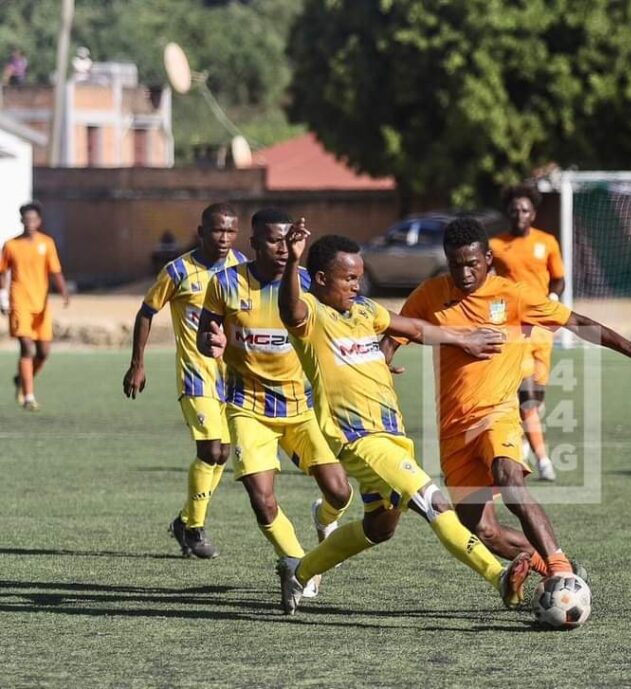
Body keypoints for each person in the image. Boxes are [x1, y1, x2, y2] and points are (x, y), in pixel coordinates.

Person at [385, 217, 631, 582]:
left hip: (497, 415)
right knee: (483, 531)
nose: (464, 273)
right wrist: (381, 366)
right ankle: (554, 567)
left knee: (510, 478)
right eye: (455, 264)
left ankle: (560, 572)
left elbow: (578, 322)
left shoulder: (513, 296)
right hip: (453, 429)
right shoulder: (430, 294)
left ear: (488, 259)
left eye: (472, 264)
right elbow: (393, 335)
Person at [273, 228, 532, 614]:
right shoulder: (311, 314)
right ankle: (500, 578)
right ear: (322, 279)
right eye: (349, 278)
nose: (356, 284)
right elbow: (289, 309)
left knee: (379, 528)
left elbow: (414, 328)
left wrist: (463, 338)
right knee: (434, 503)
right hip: (358, 438)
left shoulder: (364, 310)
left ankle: (298, 572)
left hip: (392, 435)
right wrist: (293, 261)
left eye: (359, 277)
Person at [197, 208, 352, 596]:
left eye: (288, 240)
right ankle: (299, 565)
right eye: (273, 240)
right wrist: (211, 342)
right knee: (262, 500)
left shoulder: (307, 283)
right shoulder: (225, 283)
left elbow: (350, 320)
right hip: (248, 408)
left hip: (301, 407)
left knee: (340, 493)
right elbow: (204, 334)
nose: (282, 248)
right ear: (254, 243)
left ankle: (324, 516)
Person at [123, 203, 246, 559]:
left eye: (230, 231)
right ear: (202, 232)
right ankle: (195, 530)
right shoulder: (178, 270)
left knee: (223, 454)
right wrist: (137, 364)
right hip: (195, 374)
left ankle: (185, 521)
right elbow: (146, 312)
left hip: (232, 375)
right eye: (218, 230)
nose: (224, 238)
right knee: (210, 450)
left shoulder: (241, 266)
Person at [489, 184, 565, 481]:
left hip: (542, 330)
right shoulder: (495, 245)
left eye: (525, 210)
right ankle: (544, 461)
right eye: (514, 210)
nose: (519, 214)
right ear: (508, 212)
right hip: (513, 331)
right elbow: (489, 284)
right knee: (526, 395)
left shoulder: (547, 242)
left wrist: (553, 299)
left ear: (533, 213)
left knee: (536, 398)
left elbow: (558, 279)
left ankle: (523, 441)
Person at [0, 202, 70, 411]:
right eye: (26, 219)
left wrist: (64, 291)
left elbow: (55, 270)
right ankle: (28, 396)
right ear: (21, 220)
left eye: (33, 219)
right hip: (19, 302)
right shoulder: (11, 245)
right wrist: (3, 297)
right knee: (26, 347)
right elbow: (2, 272)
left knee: (43, 352)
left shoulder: (46, 243)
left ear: (39, 221)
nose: (30, 222)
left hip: (41, 304)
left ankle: (22, 379)